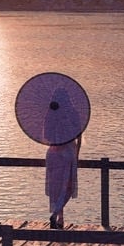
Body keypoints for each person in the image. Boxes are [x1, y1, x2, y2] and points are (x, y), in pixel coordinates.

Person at [44, 88, 81, 229]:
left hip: (52, 153)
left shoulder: (50, 114)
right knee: (68, 186)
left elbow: (46, 135)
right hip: (68, 153)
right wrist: (77, 155)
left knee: (56, 186)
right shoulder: (74, 114)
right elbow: (79, 136)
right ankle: (56, 215)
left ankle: (60, 218)